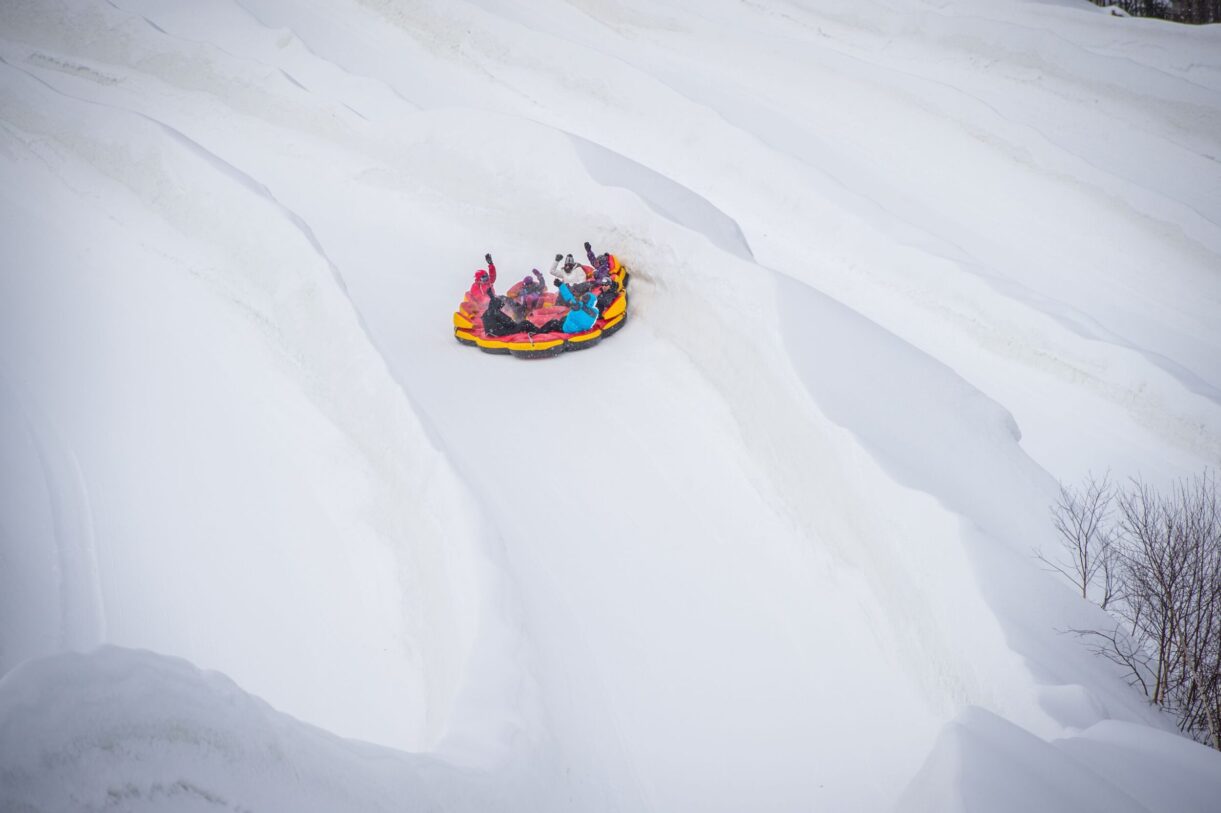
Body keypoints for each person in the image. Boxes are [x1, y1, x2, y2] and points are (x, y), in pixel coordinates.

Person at [534, 280, 600, 334]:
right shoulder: (595, 312)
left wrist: (561, 285)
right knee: (564, 318)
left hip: (568, 329)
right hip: (580, 329)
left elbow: (568, 297)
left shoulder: (578, 306)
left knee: (552, 323)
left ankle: (538, 333)